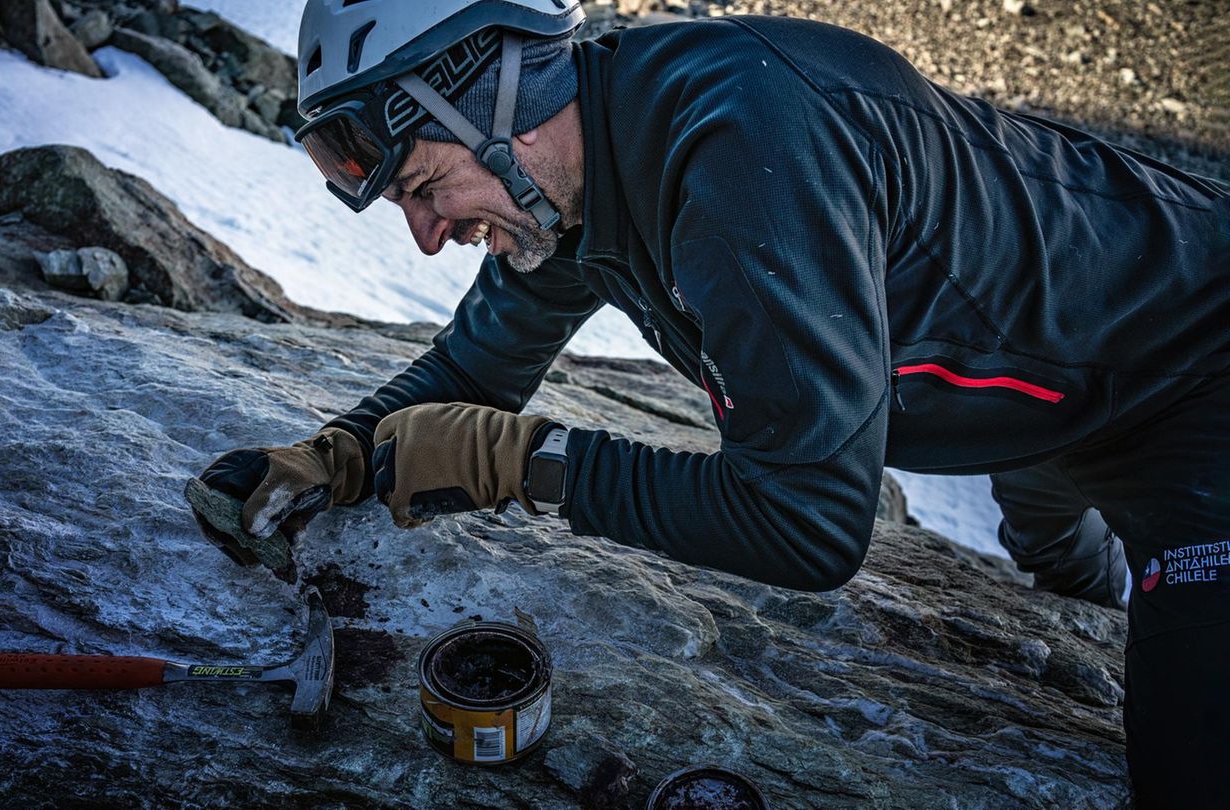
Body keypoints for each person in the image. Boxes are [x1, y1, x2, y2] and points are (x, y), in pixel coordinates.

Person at [192, 1, 1229, 804]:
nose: (425, 234)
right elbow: (471, 377)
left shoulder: (739, 155)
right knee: (1070, 570)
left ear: (497, 99)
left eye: (424, 188)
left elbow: (811, 525)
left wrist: (527, 462)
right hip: (1050, 395)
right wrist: (330, 457)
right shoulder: (571, 181)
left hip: (1199, 376)